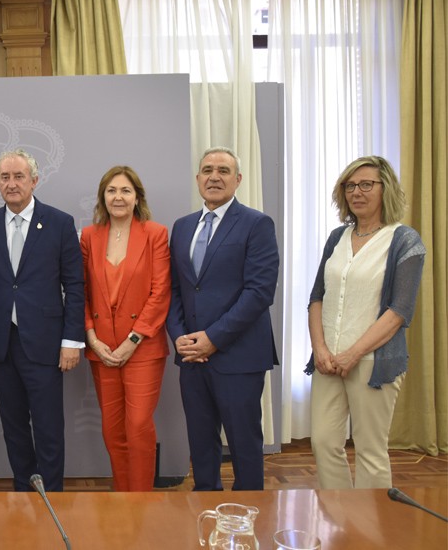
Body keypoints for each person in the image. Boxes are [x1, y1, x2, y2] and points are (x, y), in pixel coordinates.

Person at [307, 156, 424, 489]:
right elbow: (316, 297)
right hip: (328, 361)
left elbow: (399, 311)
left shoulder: (404, 240)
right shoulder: (337, 238)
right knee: (324, 443)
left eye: (366, 184)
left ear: (385, 189)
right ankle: (342, 523)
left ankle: (372, 536)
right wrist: (320, 349)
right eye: (350, 186)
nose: (356, 192)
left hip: (374, 363)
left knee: (370, 451)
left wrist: (353, 353)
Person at [166, 147, 279, 491]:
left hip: (239, 356)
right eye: (207, 170)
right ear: (198, 178)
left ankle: (249, 516)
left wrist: (213, 339)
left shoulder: (256, 224)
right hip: (191, 357)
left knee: (244, 445)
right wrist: (179, 337)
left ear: (238, 179)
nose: (214, 176)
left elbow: (259, 292)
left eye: (223, 171)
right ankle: (206, 509)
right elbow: (175, 290)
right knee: (200, 444)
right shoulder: (183, 227)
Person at [0, 149, 85, 492]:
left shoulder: (60, 223)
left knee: (49, 427)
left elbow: (75, 286)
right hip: (2, 343)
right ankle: (25, 490)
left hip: (47, 344)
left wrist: (71, 341)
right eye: (5, 177)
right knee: (14, 426)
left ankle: (52, 496)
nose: (12, 183)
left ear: (35, 180)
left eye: (19, 176)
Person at [80, 166, 171, 492]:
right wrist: (91, 337)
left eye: (125, 190)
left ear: (137, 197)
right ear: (103, 197)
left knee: (137, 425)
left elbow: (160, 292)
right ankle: (122, 498)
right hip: (101, 347)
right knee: (112, 429)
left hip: (142, 347)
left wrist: (133, 340)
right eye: (111, 191)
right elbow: (82, 292)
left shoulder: (155, 233)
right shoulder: (90, 235)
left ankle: (141, 499)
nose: (118, 197)